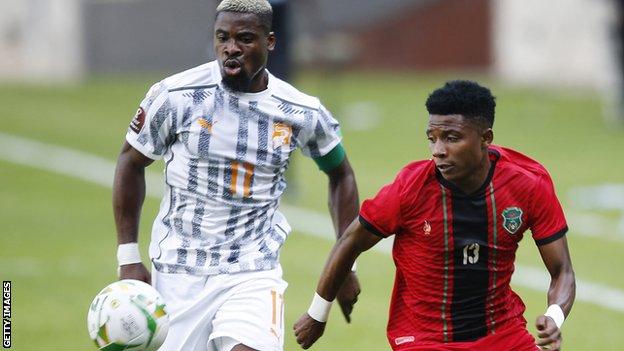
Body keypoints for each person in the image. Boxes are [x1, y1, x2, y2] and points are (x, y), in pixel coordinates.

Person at [112, 1, 361, 350]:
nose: (231, 48)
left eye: (245, 38)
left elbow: (341, 174)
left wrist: (347, 265)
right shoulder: (175, 96)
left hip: (252, 271)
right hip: (180, 271)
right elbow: (130, 161)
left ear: (270, 42)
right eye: (223, 38)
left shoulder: (300, 111)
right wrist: (128, 258)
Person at [294, 80, 576, 351]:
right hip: (425, 338)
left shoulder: (528, 183)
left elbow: (562, 270)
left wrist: (554, 316)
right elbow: (351, 240)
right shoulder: (410, 189)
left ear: (485, 139)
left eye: (451, 138)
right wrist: (318, 313)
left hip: (502, 333)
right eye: (432, 138)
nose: (438, 151)